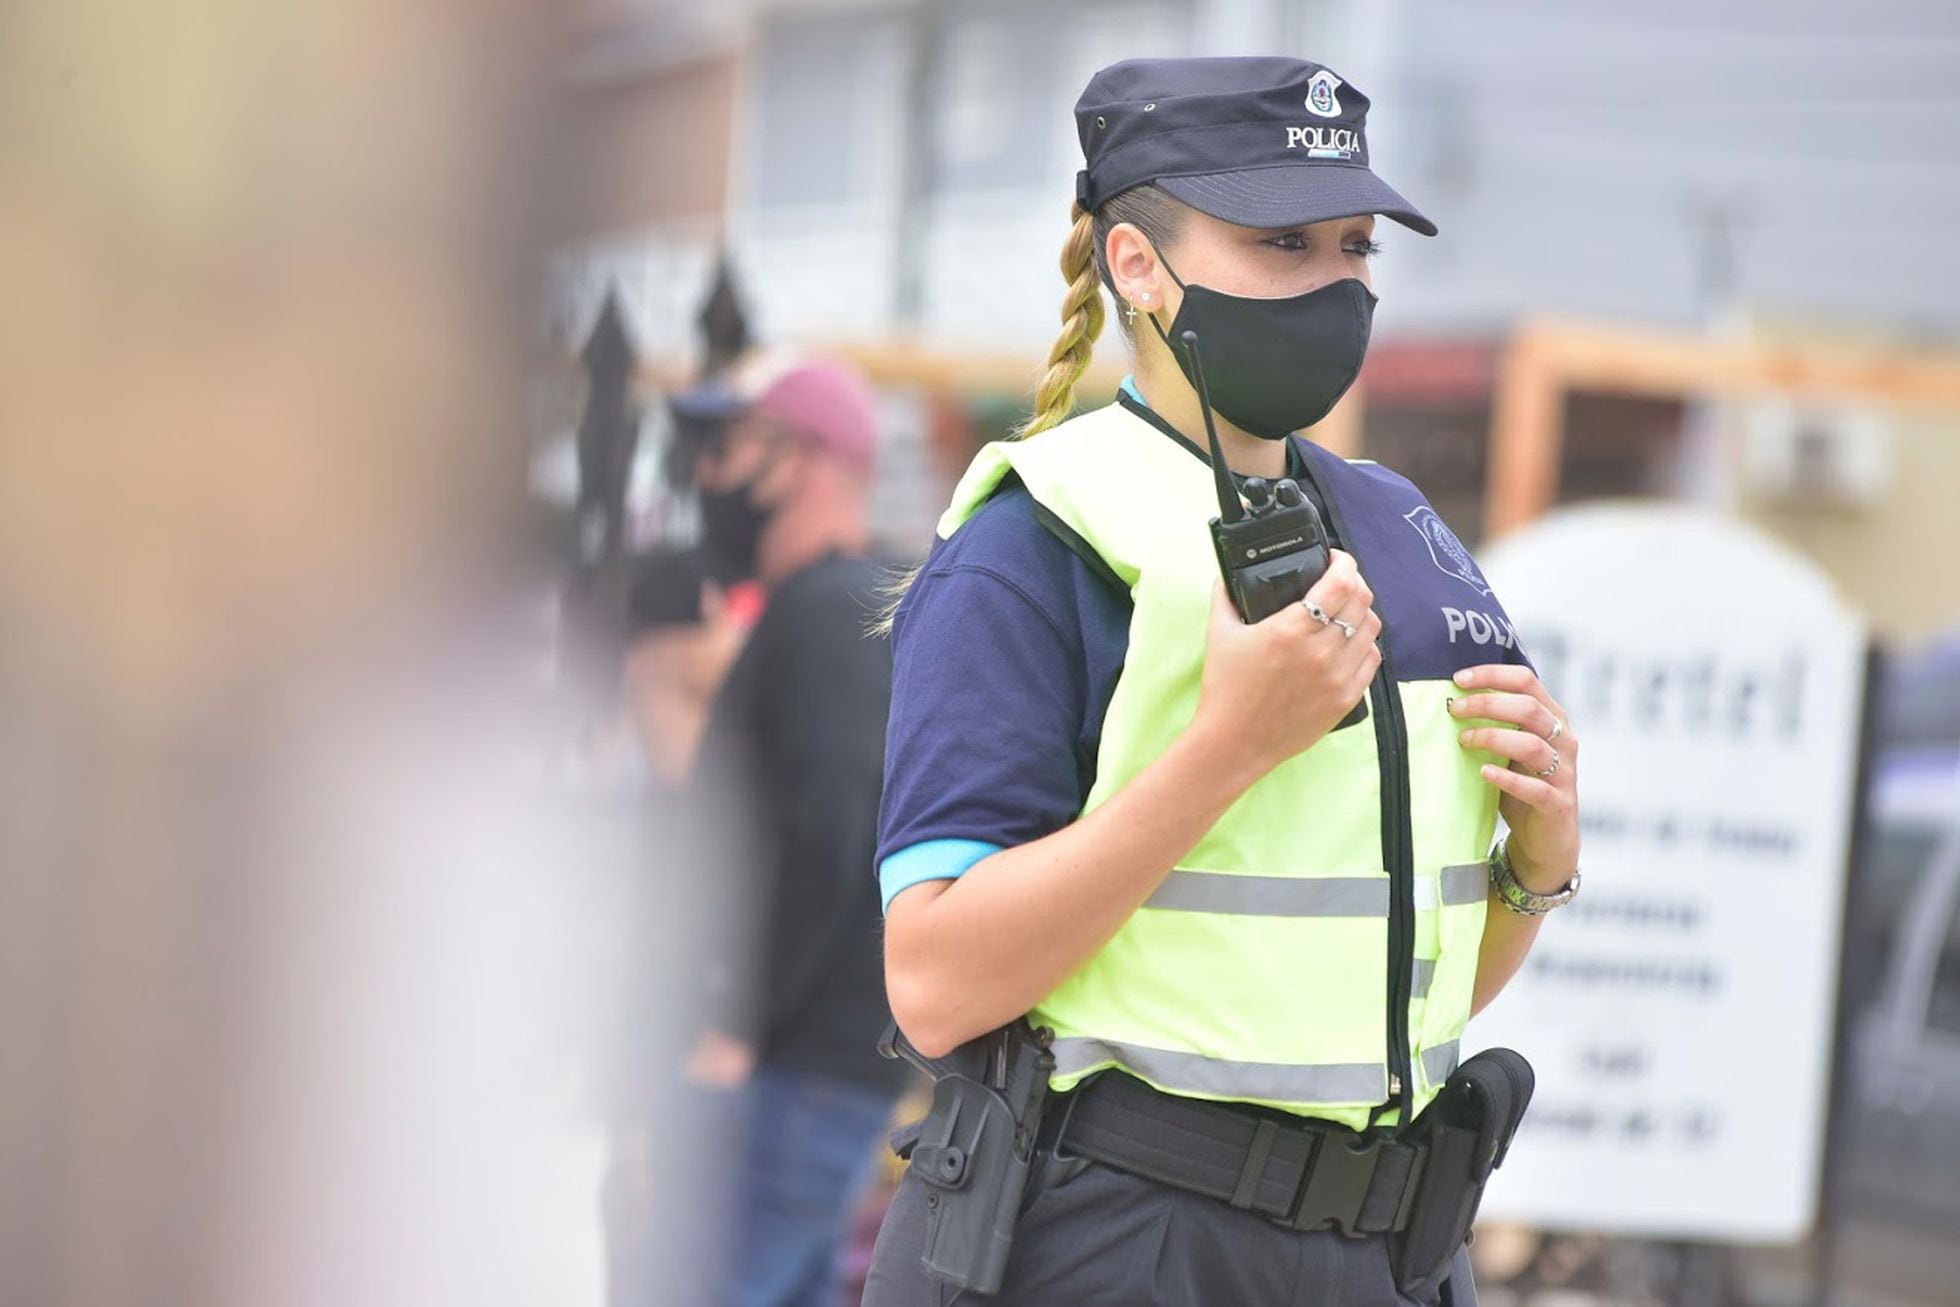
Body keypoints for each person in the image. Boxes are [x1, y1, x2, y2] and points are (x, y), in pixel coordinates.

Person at [862, 57, 1583, 1305]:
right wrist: (1226, 747)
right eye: (1284, 240)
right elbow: (933, 985)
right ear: (1136, 265)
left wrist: (1535, 859)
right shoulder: (1034, 544)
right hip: (1125, 1243)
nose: (1340, 282)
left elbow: (1388, 997)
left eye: (1357, 243)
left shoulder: (1403, 532)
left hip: (1388, 1249)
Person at [684, 358, 912, 1306]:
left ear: (804, 460)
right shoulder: (834, 604)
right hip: (815, 1062)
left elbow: (835, 823)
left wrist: (738, 1018)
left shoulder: (829, 607)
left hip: (795, 1067)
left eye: (732, 449)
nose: (710, 476)